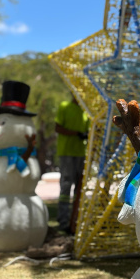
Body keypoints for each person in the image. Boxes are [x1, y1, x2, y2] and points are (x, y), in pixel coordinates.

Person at [55, 95, 90, 233]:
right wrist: (75, 133)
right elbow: (57, 127)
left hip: (81, 153)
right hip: (66, 152)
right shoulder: (64, 106)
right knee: (65, 186)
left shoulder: (85, 111)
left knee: (78, 188)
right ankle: (63, 221)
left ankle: (74, 222)